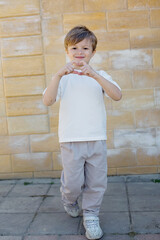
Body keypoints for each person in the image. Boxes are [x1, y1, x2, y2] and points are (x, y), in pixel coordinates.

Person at [43, 25, 122, 240]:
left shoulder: (100, 75)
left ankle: (91, 216)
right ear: (67, 51)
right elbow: (47, 100)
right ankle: (69, 200)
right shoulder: (63, 78)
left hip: (96, 139)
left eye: (85, 48)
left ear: (93, 52)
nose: (80, 52)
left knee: (97, 182)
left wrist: (95, 75)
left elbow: (117, 95)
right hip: (70, 140)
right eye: (74, 48)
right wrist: (58, 75)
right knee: (72, 184)